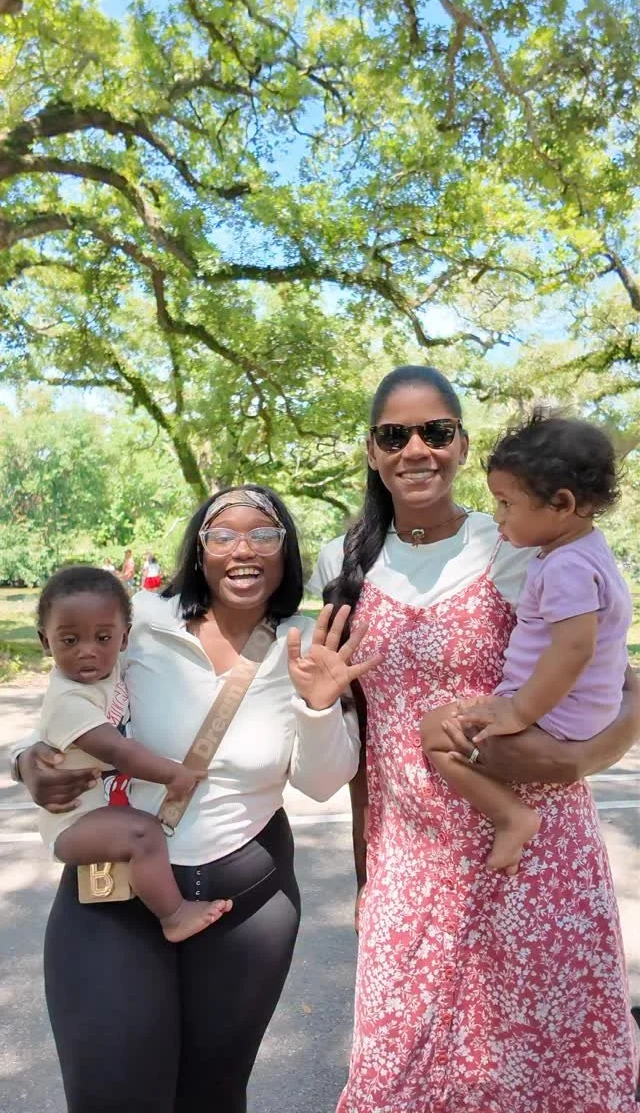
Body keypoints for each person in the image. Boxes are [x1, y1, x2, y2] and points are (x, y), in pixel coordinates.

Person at [310, 366, 640, 1113]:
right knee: (400, 1076)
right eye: (394, 435)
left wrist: (579, 760)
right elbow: (361, 743)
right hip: (410, 860)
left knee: (545, 1071)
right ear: (371, 450)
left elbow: (618, 686)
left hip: (534, 852)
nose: (416, 449)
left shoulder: (521, 540)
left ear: (461, 444)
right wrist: (366, 871)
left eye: (437, 431)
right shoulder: (344, 561)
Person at [12, 484, 372, 1113]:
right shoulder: (141, 621)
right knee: (112, 1095)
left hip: (247, 906)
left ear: (286, 550)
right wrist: (23, 762)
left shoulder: (305, 642)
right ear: (199, 550)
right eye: (223, 535)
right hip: (115, 894)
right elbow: (69, 702)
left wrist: (319, 705)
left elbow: (320, 783)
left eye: (264, 535)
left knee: (211, 1097)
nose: (244, 549)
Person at [421, 411, 632, 874]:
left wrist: (518, 712)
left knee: (435, 732)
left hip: (559, 714)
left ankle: (511, 816)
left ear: (561, 503)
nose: (498, 516)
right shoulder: (587, 549)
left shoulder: (565, 567)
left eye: (506, 503)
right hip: (584, 709)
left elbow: (574, 648)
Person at [36, 564, 232, 942]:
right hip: (72, 825)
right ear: (46, 642)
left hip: (99, 811)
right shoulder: (68, 700)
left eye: (103, 637)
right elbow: (119, 752)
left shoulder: (111, 671)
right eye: (70, 640)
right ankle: (174, 916)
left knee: (141, 832)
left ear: (124, 638)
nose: (88, 652)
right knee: (143, 835)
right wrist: (174, 774)